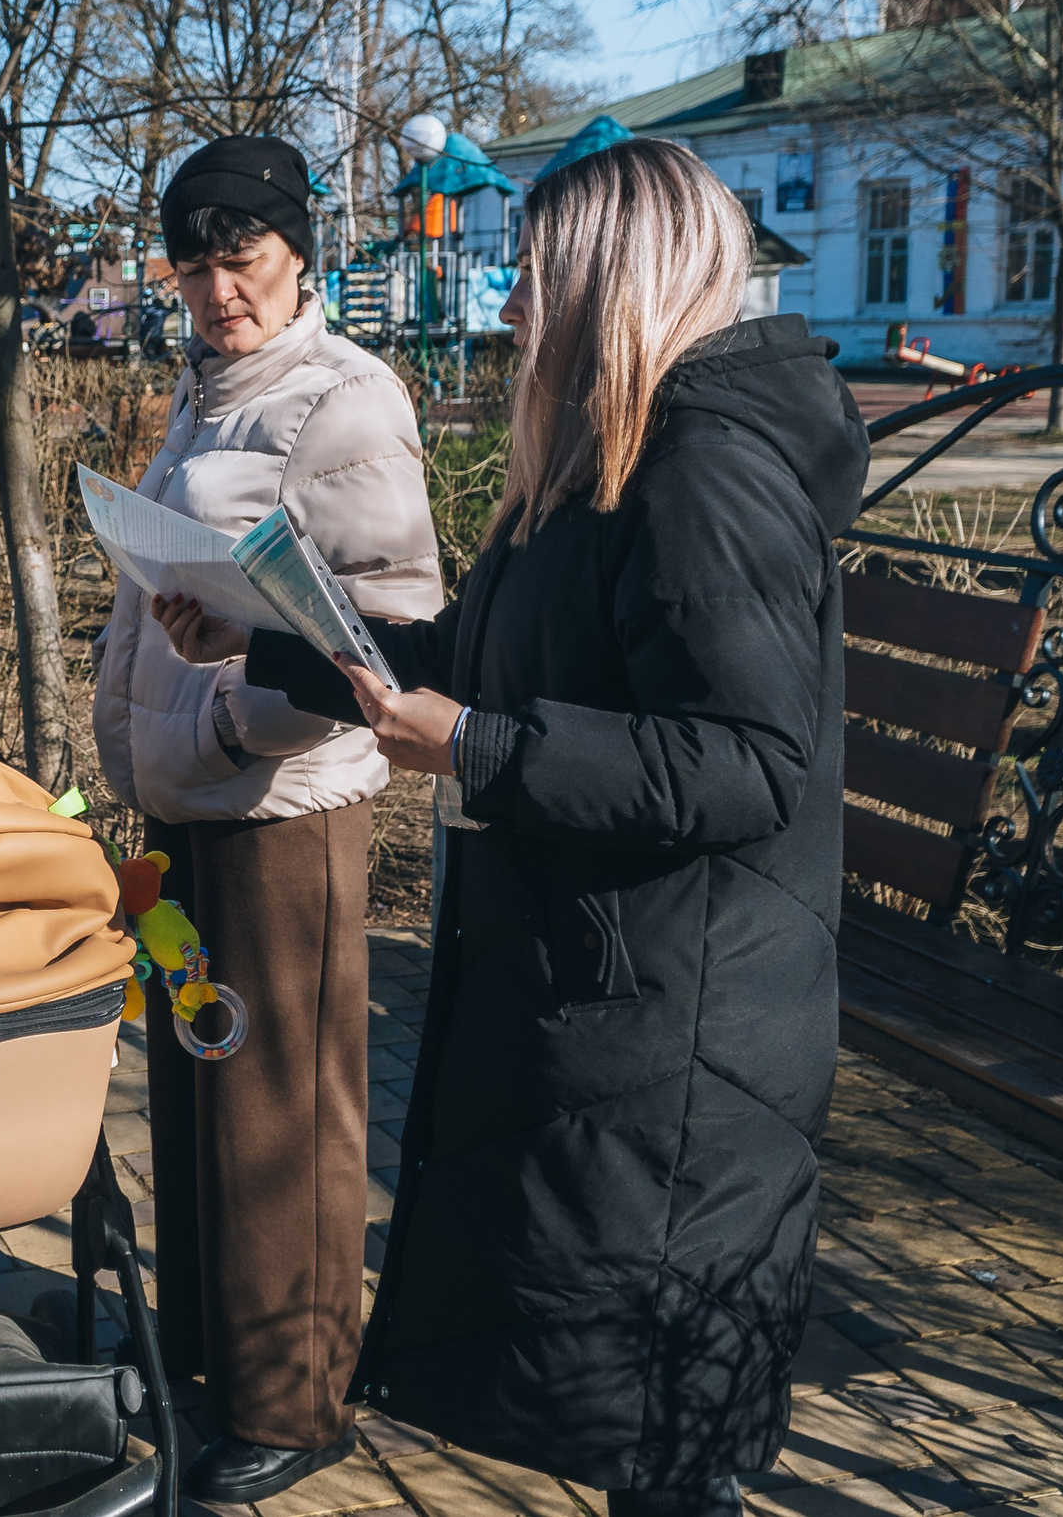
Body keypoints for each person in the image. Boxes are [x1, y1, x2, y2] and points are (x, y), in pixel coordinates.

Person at [186, 138, 865, 1513]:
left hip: (688, 1020)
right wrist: (267, 640)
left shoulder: (703, 475)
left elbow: (745, 764)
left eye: (533, 278)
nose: (505, 306)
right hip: (626, 986)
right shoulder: (610, 460)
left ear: (614, 284)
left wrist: (480, 750)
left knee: (665, 1440)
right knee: (632, 1424)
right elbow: (482, 654)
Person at [89, 135, 441, 1506]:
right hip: (190, 799)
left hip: (280, 805)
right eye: (193, 265)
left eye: (240, 258)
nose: (217, 288)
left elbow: (389, 633)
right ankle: (213, 1358)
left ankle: (297, 1401)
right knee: (201, 1086)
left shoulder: (344, 399)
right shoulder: (210, 386)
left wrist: (237, 718)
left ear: (299, 251)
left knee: (282, 1107)